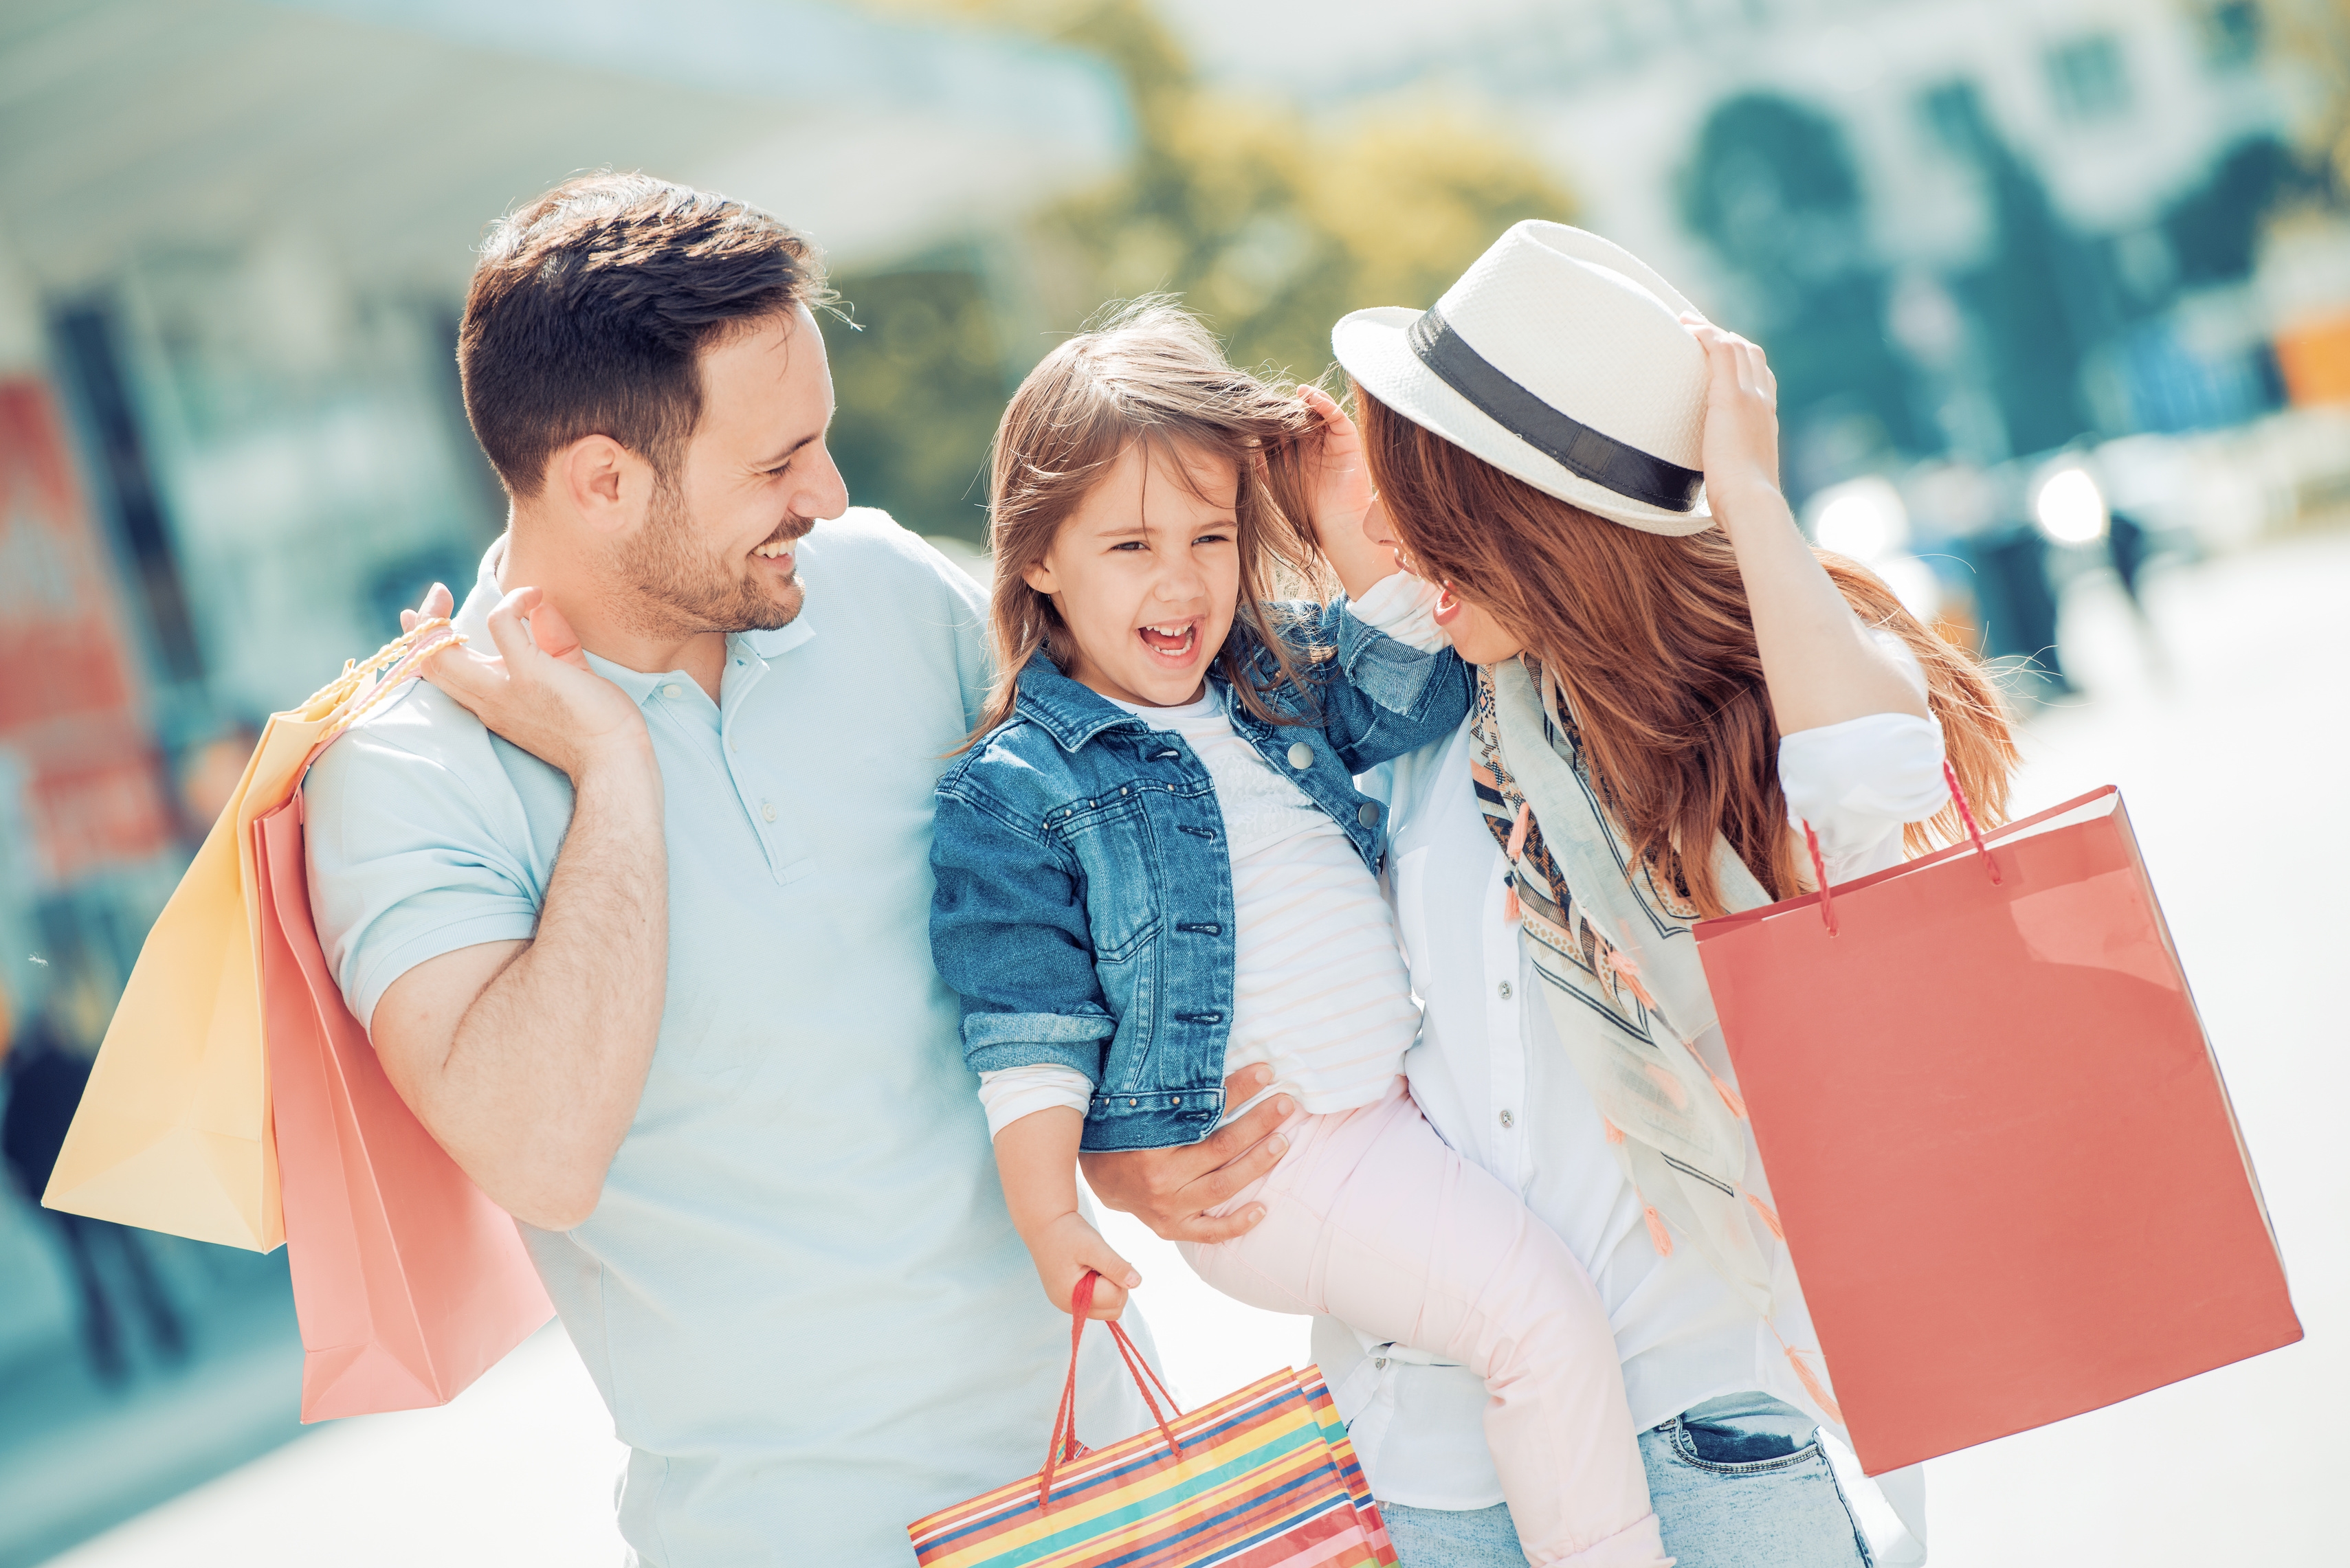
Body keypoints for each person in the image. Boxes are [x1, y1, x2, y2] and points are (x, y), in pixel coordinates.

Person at [1086, 223, 2016, 1568]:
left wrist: (1746, 496)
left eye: (1434, 513)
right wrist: (1127, 1156)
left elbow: (1873, 767)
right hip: (1438, 1446)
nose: (1396, 541)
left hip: (1718, 1420)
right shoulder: (1433, 722)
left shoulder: (1741, 725)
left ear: (1533, 529)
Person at [302, 173, 1188, 1565]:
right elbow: (540, 1152)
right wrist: (614, 767)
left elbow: (1138, 834)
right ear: (602, 481)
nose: (826, 495)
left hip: (1125, 1476)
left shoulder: (888, 589)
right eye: (778, 464)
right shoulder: (405, 774)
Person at [929, 304, 1670, 1567]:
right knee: (1539, 1320)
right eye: (1130, 544)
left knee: (1540, 1309)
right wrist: (1055, 1220)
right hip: (1278, 1161)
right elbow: (1027, 1026)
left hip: (1380, 1112)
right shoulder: (1018, 786)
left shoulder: (1264, 679)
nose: (1182, 581)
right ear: (1039, 556)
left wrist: (1336, 510)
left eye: (1210, 536)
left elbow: (1415, 687)